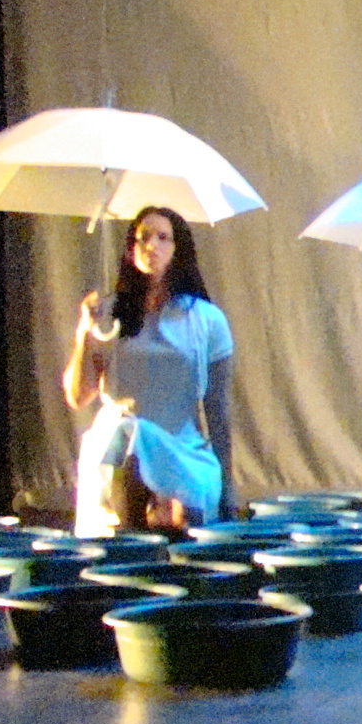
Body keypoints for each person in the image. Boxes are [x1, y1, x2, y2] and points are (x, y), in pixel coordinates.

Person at [64, 205, 235, 536]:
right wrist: (84, 333)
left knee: (188, 499)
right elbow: (78, 396)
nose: (151, 245)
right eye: (143, 238)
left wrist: (228, 487)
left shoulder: (207, 320)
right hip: (116, 445)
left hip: (180, 448)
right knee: (126, 432)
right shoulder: (109, 316)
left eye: (162, 237)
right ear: (131, 248)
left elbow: (218, 410)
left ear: (178, 249)